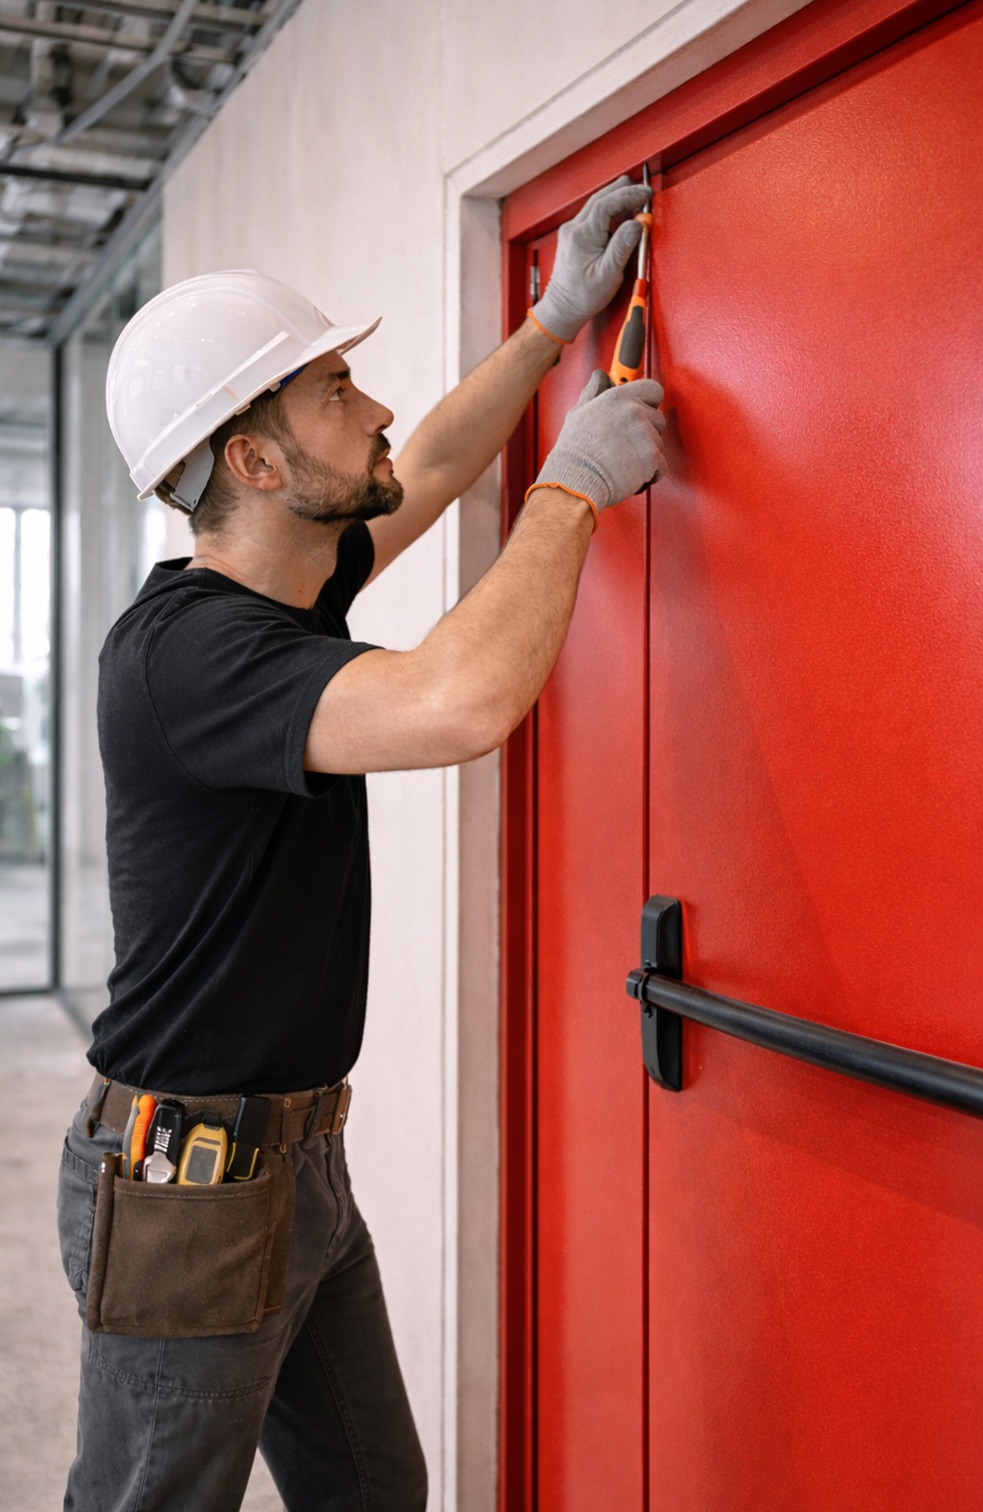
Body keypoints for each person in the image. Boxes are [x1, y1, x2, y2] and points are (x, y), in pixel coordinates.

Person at [56, 176, 666, 1511]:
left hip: (297, 1171)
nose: (376, 403)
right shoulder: (187, 659)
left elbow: (431, 465)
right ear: (255, 462)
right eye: (335, 390)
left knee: (376, 1492)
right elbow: (458, 703)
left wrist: (553, 322)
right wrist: (571, 490)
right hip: (188, 1186)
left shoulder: (284, 591)